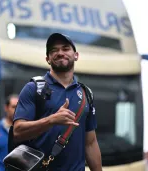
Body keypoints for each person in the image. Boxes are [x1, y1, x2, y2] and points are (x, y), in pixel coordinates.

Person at [13, 33, 102, 171]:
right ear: (47, 58)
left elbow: (90, 143)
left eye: (65, 49)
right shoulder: (34, 88)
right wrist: (51, 120)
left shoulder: (86, 94)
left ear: (76, 55)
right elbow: (17, 132)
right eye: (54, 50)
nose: (60, 53)